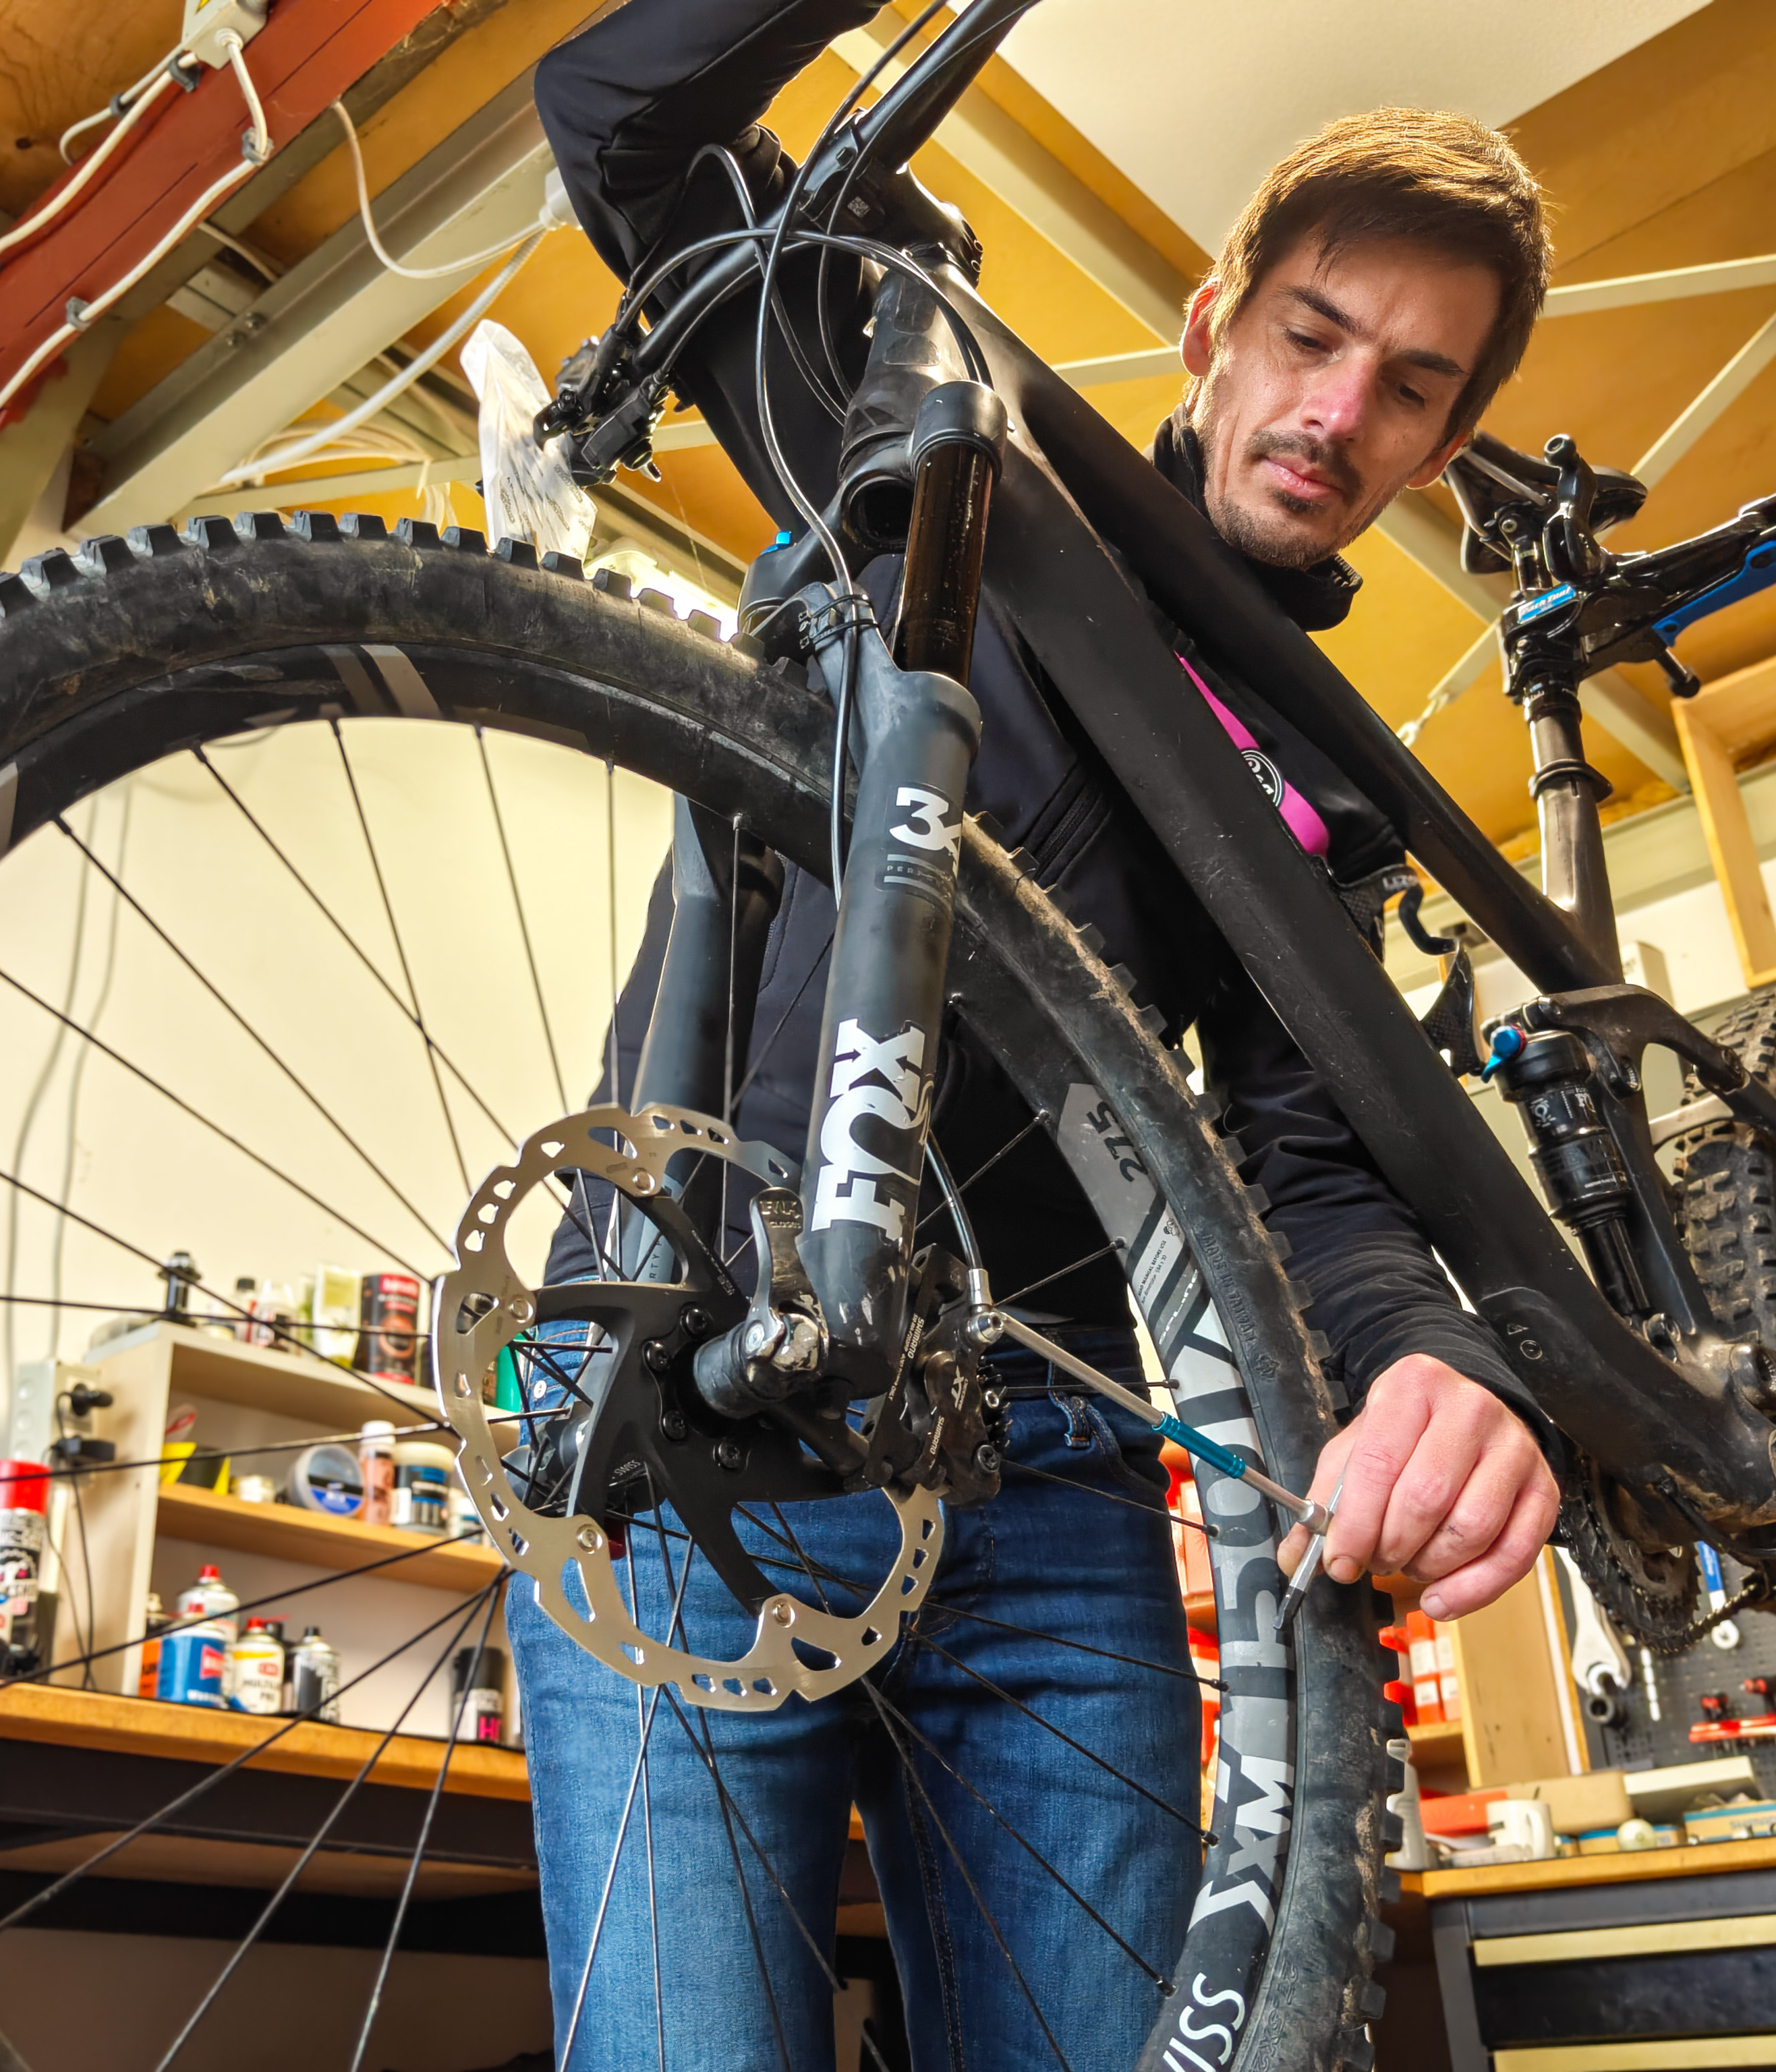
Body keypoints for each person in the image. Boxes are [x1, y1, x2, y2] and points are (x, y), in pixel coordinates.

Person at [513, 6, 1565, 2066]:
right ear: (1211, 323)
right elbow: (619, 118)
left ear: (1442, 450)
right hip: (674, 1399)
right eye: (1312, 334)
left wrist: (1435, 1358)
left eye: (1410, 387)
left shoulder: (1324, 791)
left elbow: (1306, 1161)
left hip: (1046, 1477)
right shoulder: (938, 458)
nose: (1339, 410)